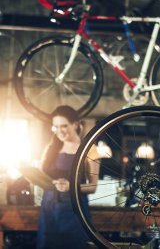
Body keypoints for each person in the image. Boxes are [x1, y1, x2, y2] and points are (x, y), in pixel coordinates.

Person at [36, 106, 100, 249]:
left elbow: (93, 186)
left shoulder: (90, 149)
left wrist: (70, 186)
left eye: (64, 126)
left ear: (75, 124)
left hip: (75, 212)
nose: (60, 131)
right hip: (49, 210)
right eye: (56, 127)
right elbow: (40, 176)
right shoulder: (50, 148)